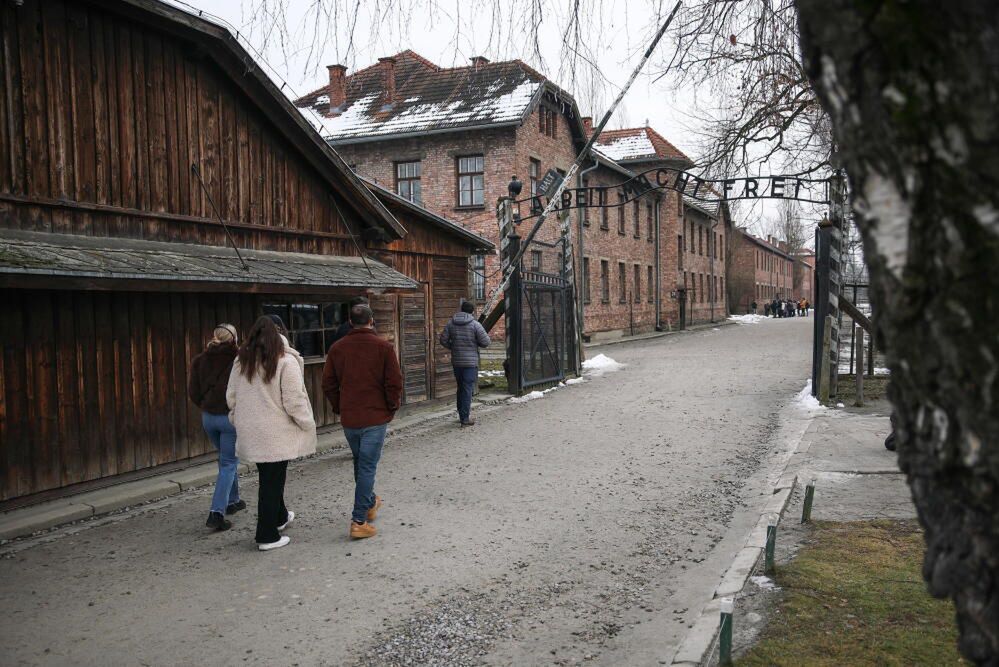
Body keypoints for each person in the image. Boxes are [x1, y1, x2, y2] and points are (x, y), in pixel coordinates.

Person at [227, 315, 317, 551]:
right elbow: (294, 400)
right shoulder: (285, 361)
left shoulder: (241, 362)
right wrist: (307, 423)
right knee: (271, 482)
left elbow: (231, 397)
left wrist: (235, 419)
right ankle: (266, 535)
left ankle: (280, 517)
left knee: (270, 476)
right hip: (277, 432)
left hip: (251, 431)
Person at [323, 304, 403, 540]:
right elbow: (394, 382)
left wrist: (339, 405)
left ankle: (369, 503)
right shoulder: (384, 348)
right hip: (375, 416)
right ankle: (358, 520)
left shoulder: (337, 348)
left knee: (361, 462)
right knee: (367, 465)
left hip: (350, 416)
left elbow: (328, 383)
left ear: (350, 321)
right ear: (371, 321)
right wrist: (391, 406)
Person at [188, 323, 243, 532]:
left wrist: (205, 405)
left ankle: (233, 500)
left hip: (208, 418)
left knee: (225, 459)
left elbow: (193, 391)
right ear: (234, 339)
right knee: (228, 463)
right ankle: (216, 513)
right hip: (229, 418)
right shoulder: (238, 360)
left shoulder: (200, 360)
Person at [439, 301, 491, 426]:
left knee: (460, 387)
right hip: (470, 363)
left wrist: (453, 347)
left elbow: (443, 340)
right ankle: (465, 418)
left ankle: (461, 414)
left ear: (461, 310)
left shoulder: (451, 323)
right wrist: (475, 343)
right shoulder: (475, 325)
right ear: (472, 311)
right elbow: (486, 342)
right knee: (467, 388)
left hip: (457, 361)